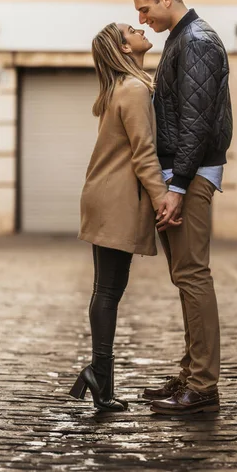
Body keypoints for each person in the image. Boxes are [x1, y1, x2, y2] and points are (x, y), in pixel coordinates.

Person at [129, 0, 233, 415]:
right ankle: (191, 373)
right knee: (185, 276)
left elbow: (196, 122)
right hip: (181, 175)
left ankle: (203, 385)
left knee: (192, 275)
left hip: (187, 178)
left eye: (145, 8)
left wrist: (180, 184)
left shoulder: (197, 42)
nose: (142, 17)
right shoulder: (180, 39)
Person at [68, 22, 181, 412]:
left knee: (106, 288)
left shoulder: (124, 87)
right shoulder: (133, 90)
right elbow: (143, 153)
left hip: (105, 196)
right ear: (125, 47)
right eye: (131, 29)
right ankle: (100, 375)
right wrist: (163, 196)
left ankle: (100, 376)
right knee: (109, 289)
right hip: (114, 199)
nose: (140, 29)